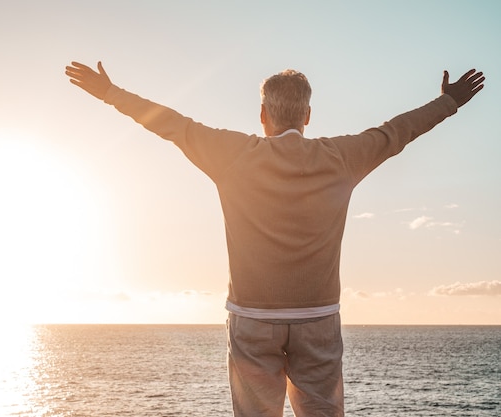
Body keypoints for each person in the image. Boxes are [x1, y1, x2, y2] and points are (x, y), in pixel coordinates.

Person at [64, 61, 484, 417]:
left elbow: (171, 124)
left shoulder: (232, 154)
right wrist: (450, 102)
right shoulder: (341, 156)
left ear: (262, 114)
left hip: (251, 319)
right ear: (307, 115)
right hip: (318, 318)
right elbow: (398, 131)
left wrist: (109, 91)